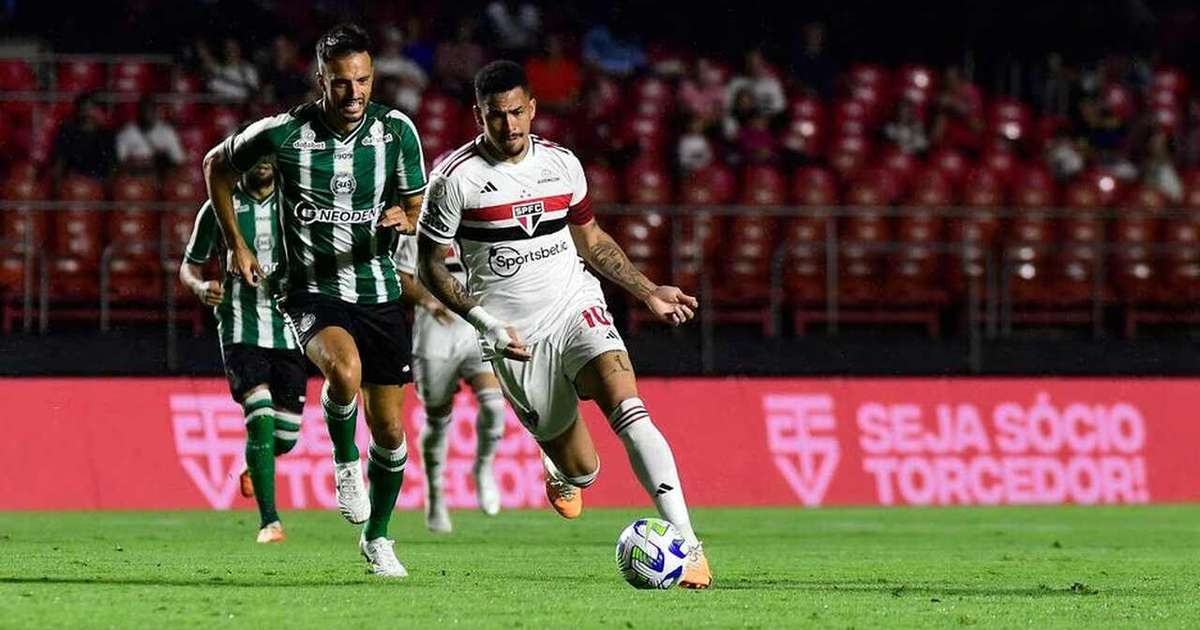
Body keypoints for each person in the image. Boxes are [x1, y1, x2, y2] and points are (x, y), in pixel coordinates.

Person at [415, 61, 713, 589]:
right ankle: (560, 470)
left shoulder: (562, 166)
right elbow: (431, 266)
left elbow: (592, 241)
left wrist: (648, 292)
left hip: (575, 305)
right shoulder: (454, 179)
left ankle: (689, 545)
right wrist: (482, 323)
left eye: (515, 113)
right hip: (514, 338)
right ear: (477, 115)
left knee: (629, 405)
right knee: (583, 470)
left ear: (532, 108)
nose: (508, 127)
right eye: (494, 117)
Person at [203, 23, 427, 577]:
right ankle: (345, 461)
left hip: (378, 290)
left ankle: (377, 539)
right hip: (310, 290)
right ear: (319, 81)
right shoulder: (284, 134)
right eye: (342, 82)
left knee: (394, 432)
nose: (354, 93)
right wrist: (234, 243)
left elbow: (416, 198)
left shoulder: (396, 131)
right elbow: (215, 166)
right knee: (342, 372)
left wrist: (408, 215)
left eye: (364, 80)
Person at [180, 158, 303, 544]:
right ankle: (270, 522)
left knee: (286, 436)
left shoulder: (295, 203)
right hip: (239, 326)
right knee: (260, 411)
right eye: (255, 154)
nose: (263, 162)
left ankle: (257, 462)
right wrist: (200, 288)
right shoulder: (221, 205)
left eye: (269, 155)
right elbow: (189, 266)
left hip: (290, 330)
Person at [394, 236, 507, 533]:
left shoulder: (479, 222)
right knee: (437, 418)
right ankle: (435, 495)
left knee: (495, 405)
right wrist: (429, 302)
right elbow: (402, 278)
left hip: (477, 331)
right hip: (436, 336)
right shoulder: (415, 231)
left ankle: (483, 467)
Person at [115, 96, 185, 175]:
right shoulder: (126, 133)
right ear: (138, 112)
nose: (147, 114)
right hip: (134, 177)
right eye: (144, 111)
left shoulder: (167, 132)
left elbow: (179, 160)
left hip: (160, 178)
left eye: (150, 110)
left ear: (155, 112)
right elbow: (120, 162)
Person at [52, 92, 114, 180]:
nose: (87, 113)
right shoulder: (68, 133)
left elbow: (112, 167)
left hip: (98, 183)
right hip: (72, 182)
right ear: (78, 111)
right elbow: (59, 163)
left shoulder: (106, 135)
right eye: (84, 108)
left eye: (91, 109)